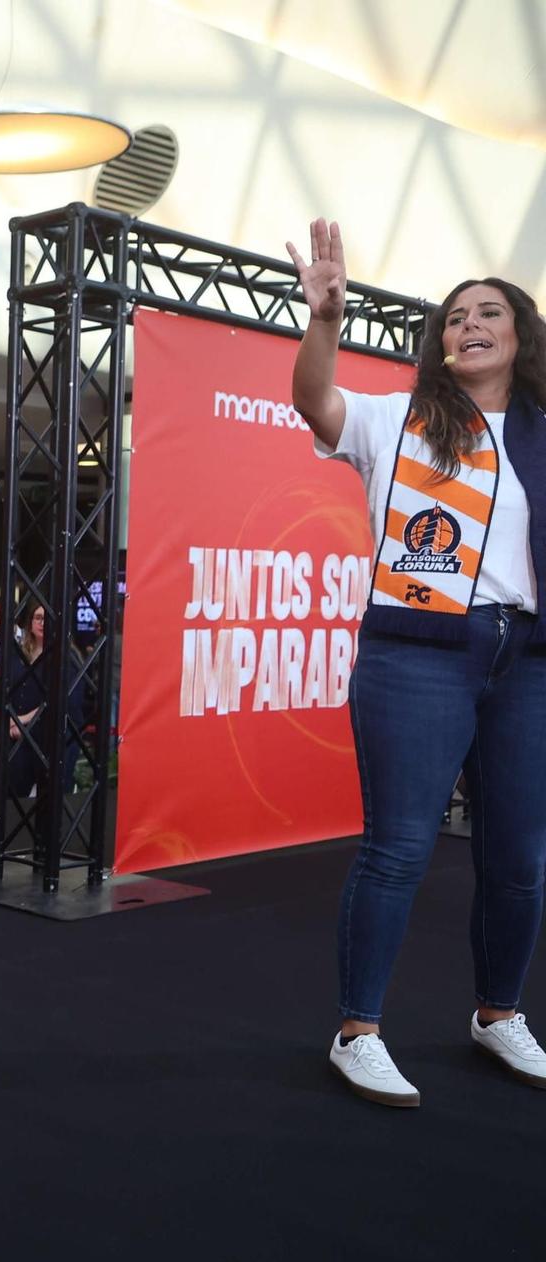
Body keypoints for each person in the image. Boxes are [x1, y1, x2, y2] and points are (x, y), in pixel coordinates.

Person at [289, 218, 546, 1108]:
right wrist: (323, 322)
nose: (468, 323)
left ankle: (497, 1013)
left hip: (529, 659)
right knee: (398, 848)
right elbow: (313, 400)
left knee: (519, 861)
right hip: (418, 653)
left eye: (489, 313)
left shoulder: (544, 435)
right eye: (454, 317)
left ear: (520, 335)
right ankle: (357, 1030)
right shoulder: (396, 416)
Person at [1, 600, 80, 799]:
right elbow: (4, 690)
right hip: (16, 736)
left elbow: (62, 701)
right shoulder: (18, 653)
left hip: (51, 736)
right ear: (30, 623)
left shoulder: (66, 657)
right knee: (13, 796)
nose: (43, 623)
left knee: (51, 799)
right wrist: (8, 719)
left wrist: (24, 720)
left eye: (47, 619)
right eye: (38, 618)